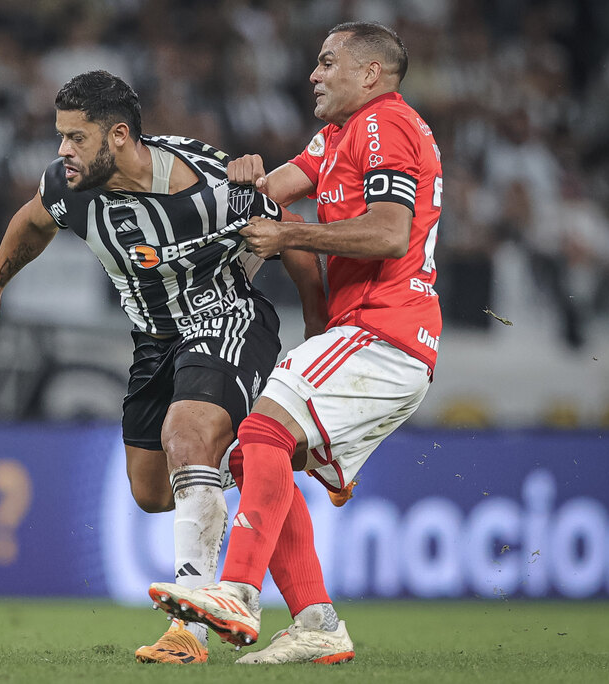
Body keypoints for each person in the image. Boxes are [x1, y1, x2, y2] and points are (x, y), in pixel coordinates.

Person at [0, 70, 317, 664]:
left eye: (75, 138)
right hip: (152, 340)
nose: (62, 151)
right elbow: (31, 223)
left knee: (187, 435)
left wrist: (316, 339)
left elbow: (292, 240)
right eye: (60, 137)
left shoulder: (218, 180)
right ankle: (257, 470)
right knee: (151, 492)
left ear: (118, 136)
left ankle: (190, 628)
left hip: (228, 316)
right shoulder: (69, 189)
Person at [149, 21, 443, 665]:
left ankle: (239, 592)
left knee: (259, 436)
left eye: (327, 61)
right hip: (365, 335)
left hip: (384, 328)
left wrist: (291, 238)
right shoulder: (337, 134)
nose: (313, 73)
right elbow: (268, 190)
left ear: (369, 72)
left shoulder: (384, 124)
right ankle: (316, 620)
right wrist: (235, 176)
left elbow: (392, 233)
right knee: (250, 460)